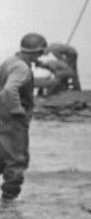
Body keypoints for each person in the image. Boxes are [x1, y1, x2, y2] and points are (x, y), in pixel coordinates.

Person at [0, 33, 47, 201]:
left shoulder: (10, 61)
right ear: (34, 51)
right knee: (16, 162)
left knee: (2, 158)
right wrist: (17, 110)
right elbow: (9, 90)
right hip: (13, 121)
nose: (41, 56)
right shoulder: (22, 68)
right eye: (40, 52)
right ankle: (8, 203)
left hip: (2, 118)